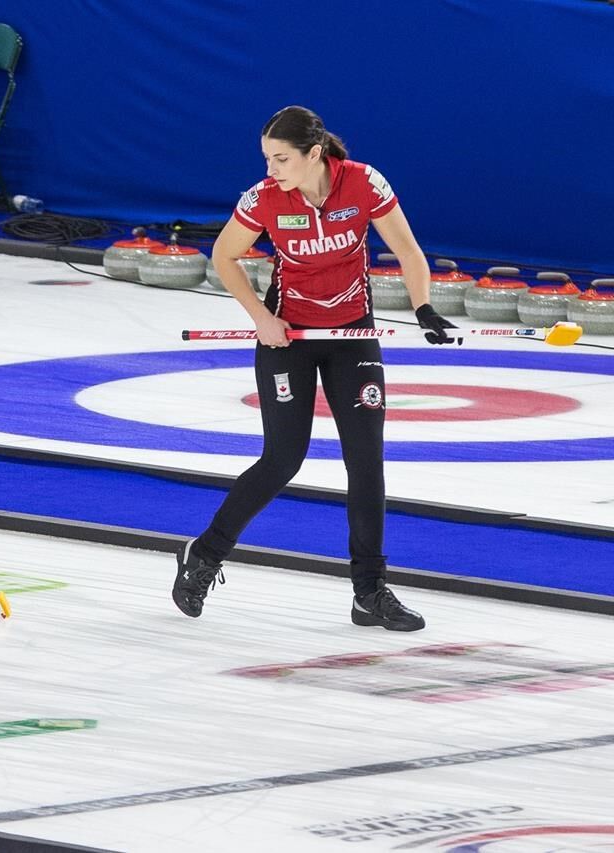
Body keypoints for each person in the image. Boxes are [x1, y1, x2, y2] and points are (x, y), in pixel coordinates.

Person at [172, 106, 457, 632]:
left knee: (366, 463)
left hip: (353, 336)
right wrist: (262, 317)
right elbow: (224, 256)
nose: (272, 168)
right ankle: (204, 555)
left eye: (282, 158)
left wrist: (424, 309)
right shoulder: (263, 199)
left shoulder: (363, 183)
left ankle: (369, 591)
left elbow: (409, 251)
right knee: (283, 459)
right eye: (267, 158)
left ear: (314, 155)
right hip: (289, 338)